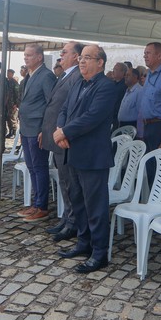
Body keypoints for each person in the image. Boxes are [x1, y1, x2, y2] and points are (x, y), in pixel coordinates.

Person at [53, 44, 119, 273]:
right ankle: (84, 243)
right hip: (73, 152)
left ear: (100, 62)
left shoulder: (106, 87)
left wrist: (65, 132)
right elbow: (64, 110)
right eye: (81, 57)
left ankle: (99, 253)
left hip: (93, 156)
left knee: (95, 207)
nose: (82, 61)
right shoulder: (78, 83)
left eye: (88, 58)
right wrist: (60, 129)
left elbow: (92, 117)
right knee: (78, 202)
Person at [40, 41, 83, 235]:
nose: (61, 56)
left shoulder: (76, 76)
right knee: (64, 183)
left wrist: (62, 132)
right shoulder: (65, 74)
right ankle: (67, 219)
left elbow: (71, 109)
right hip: (55, 136)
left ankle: (73, 223)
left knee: (69, 183)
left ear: (76, 56)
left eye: (65, 52)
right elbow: (53, 105)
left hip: (64, 138)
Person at [18, 44, 58, 220]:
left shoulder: (46, 75)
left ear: (39, 57)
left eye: (29, 55)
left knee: (39, 166)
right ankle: (35, 203)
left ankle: (42, 206)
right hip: (27, 128)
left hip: (37, 129)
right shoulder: (30, 75)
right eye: (25, 55)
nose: (25, 58)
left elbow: (52, 104)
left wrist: (45, 129)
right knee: (31, 167)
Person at [137, 42, 161, 155]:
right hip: (147, 125)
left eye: (148, 53)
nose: (145, 56)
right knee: (149, 165)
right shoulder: (149, 74)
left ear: (159, 56)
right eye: (144, 53)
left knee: (158, 166)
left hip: (160, 126)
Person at [111, 62, 128, 127]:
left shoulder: (124, 85)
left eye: (115, 69)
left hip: (118, 117)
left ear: (122, 72)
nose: (113, 71)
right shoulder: (112, 83)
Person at [5, 68, 20, 138]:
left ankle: (14, 132)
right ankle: (10, 131)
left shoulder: (14, 82)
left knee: (13, 119)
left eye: (9, 73)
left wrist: (16, 104)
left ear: (12, 74)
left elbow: (17, 94)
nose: (8, 74)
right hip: (8, 104)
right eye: (7, 73)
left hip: (12, 104)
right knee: (8, 118)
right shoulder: (7, 81)